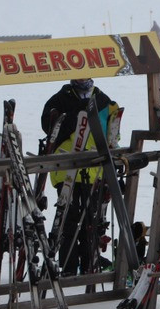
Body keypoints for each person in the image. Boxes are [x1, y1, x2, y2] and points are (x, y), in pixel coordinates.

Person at [41, 79, 115, 275]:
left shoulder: (102, 99)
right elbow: (49, 128)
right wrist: (77, 116)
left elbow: (112, 134)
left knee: (92, 221)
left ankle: (90, 263)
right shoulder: (60, 99)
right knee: (70, 220)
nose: (82, 81)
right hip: (67, 171)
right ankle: (68, 267)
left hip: (93, 171)